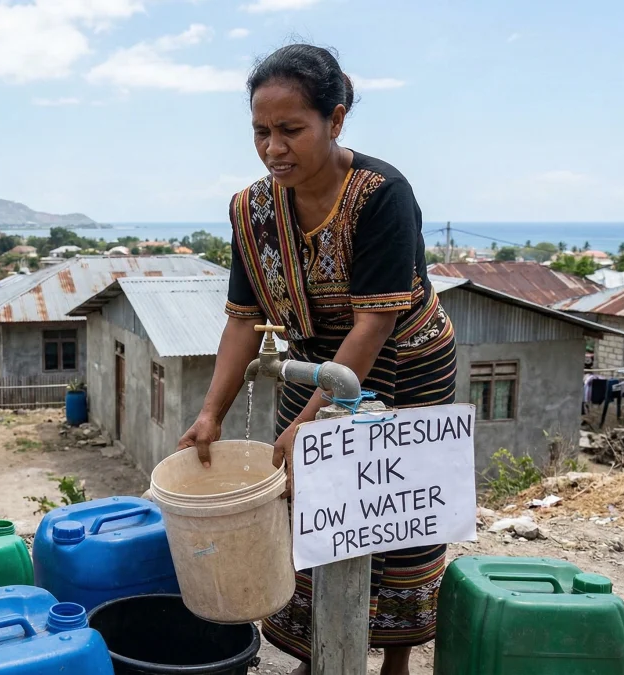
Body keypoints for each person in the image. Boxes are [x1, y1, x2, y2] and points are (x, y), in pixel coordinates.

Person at [176, 44, 457, 675]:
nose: (274, 147)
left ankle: (393, 659)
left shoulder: (382, 195)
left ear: (335, 120)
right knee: (307, 502)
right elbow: (243, 322)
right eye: (261, 132)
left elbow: (375, 321)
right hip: (311, 366)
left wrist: (311, 420)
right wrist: (211, 412)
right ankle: (321, 653)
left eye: (290, 129)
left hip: (402, 363)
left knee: (392, 512)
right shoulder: (251, 211)